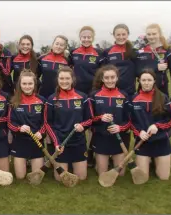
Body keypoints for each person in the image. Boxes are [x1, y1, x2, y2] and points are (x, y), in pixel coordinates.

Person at [45, 67, 93, 181]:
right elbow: (47, 124)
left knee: (81, 177)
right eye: (61, 78)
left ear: (72, 80)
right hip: (60, 143)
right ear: (57, 80)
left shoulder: (83, 97)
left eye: (67, 78)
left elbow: (90, 119)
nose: (64, 81)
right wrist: (56, 143)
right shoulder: (51, 99)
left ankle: (73, 164)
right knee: (60, 179)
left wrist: (83, 126)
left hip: (78, 142)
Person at [130, 68, 171, 181]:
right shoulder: (134, 99)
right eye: (143, 80)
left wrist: (158, 126)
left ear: (154, 81)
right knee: (142, 179)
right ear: (139, 81)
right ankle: (149, 161)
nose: (146, 83)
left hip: (161, 142)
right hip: (143, 143)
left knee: (163, 177)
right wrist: (139, 132)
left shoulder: (163, 97)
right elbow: (131, 121)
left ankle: (157, 161)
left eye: (149, 80)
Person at [70, 26, 104, 168]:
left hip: (93, 93)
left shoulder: (98, 53)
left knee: (92, 124)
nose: (86, 39)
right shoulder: (73, 53)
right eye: (83, 37)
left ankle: (90, 152)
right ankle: (77, 151)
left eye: (89, 37)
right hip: (77, 94)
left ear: (93, 37)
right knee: (78, 123)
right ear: (80, 37)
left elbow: (102, 74)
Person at [89, 65, 131, 175]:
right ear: (102, 79)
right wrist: (100, 118)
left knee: (120, 174)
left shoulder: (124, 95)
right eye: (106, 78)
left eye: (113, 77)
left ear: (117, 78)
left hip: (119, 138)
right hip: (101, 137)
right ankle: (99, 162)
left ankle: (113, 161)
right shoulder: (94, 95)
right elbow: (88, 119)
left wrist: (120, 127)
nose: (110, 80)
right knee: (102, 173)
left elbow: (130, 120)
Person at [8, 70, 47, 179]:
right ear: (20, 85)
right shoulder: (13, 101)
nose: (27, 86)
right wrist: (19, 128)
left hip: (36, 142)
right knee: (20, 177)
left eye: (30, 84)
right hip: (20, 142)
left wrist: (41, 132)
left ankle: (34, 161)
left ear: (35, 84)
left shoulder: (42, 101)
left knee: (36, 178)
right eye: (24, 84)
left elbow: (46, 122)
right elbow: (10, 123)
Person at [135, 23, 171, 108]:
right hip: (143, 91)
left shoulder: (168, 51)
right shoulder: (140, 51)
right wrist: (155, 67)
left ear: (159, 34)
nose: (151, 36)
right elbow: (137, 71)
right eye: (149, 34)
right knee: (142, 119)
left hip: (161, 92)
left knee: (162, 119)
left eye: (154, 34)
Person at [101, 24, 137, 98]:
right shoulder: (107, 52)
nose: (121, 37)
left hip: (130, 92)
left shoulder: (134, 52)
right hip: (112, 92)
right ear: (114, 35)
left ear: (128, 35)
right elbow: (103, 72)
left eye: (123, 34)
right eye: (118, 35)